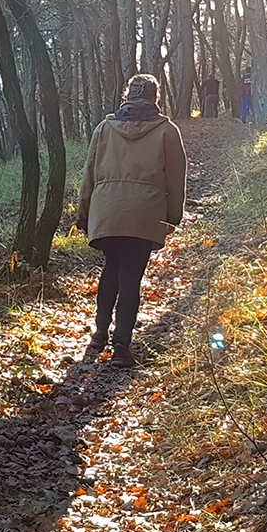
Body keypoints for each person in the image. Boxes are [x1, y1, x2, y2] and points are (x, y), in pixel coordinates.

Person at [74, 73, 186, 369]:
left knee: (111, 266)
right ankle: (121, 345)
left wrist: (83, 212)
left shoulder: (104, 129)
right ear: (154, 98)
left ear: (127, 96)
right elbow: (176, 179)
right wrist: (172, 216)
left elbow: (90, 173)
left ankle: (99, 334)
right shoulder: (167, 131)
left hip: (106, 209)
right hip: (145, 212)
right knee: (131, 275)